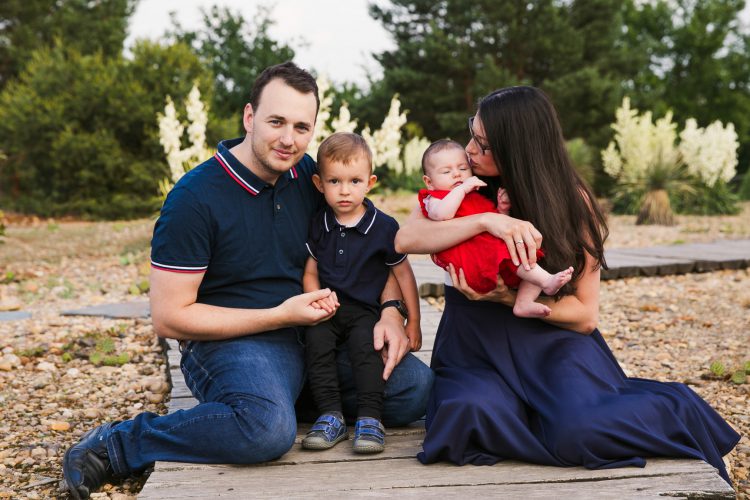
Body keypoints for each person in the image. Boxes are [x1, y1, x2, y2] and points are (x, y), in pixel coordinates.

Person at [62, 62, 433, 499]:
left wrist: (391, 311)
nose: (288, 139)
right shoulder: (194, 198)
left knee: (415, 391)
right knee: (265, 431)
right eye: (276, 122)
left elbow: (374, 249)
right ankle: (119, 444)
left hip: (317, 334)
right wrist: (277, 315)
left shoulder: (314, 179)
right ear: (249, 117)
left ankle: (291, 395)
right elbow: (169, 318)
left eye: (301, 126)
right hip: (235, 341)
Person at [396, 86, 739, 483]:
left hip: (550, 339)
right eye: (472, 133)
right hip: (475, 341)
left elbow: (584, 316)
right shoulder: (464, 185)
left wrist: (506, 296)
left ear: (515, 148)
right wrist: (488, 220)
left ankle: (677, 407)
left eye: (484, 144)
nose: (469, 150)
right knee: (469, 415)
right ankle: (523, 412)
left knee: (580, 430)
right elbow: (406, 238)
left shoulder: (571, 201)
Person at [301, 132, 422, 454]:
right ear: (318, 184)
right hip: (327, 308)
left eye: (354, 181)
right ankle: (331, 416)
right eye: (334, 181)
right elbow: (310, 272)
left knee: (367, 351)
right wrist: (316, 299)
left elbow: (404, 275)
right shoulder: (319, 223)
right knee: (317, 347)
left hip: (365, 311)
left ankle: (370, 418)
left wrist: (413, 323)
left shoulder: (383, 227)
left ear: (370, 182)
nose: (344, 191)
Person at [418, 139, 573, 317]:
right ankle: (546, 281)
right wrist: (461, 190)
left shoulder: (475, 196)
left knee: (530, 258)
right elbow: (442, 214)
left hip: (489, 249)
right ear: (429, 182)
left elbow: (498, 225)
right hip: (472, 255)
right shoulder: (434, 198)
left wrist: (502, 210)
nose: (457, 175)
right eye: (446, 171)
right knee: (517, 260)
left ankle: (524, 302)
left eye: (463, 168)